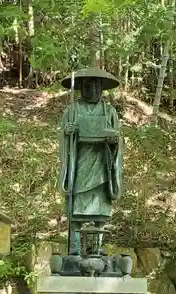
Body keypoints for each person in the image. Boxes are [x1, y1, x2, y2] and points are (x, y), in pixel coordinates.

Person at [58, 67, 124, 256]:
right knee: (76, 207)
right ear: (80, 88)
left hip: (102, 164)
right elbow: (62, 136)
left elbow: (118, 136)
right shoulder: (72, 110)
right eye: (87, 86)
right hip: (79, 163)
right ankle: (75, 247)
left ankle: (97, 247)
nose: (92, 90)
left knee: (100, 211)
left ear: (101, 88)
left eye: (96, 86)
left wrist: (114, 142)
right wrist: (68, 133)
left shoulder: (108, 110)